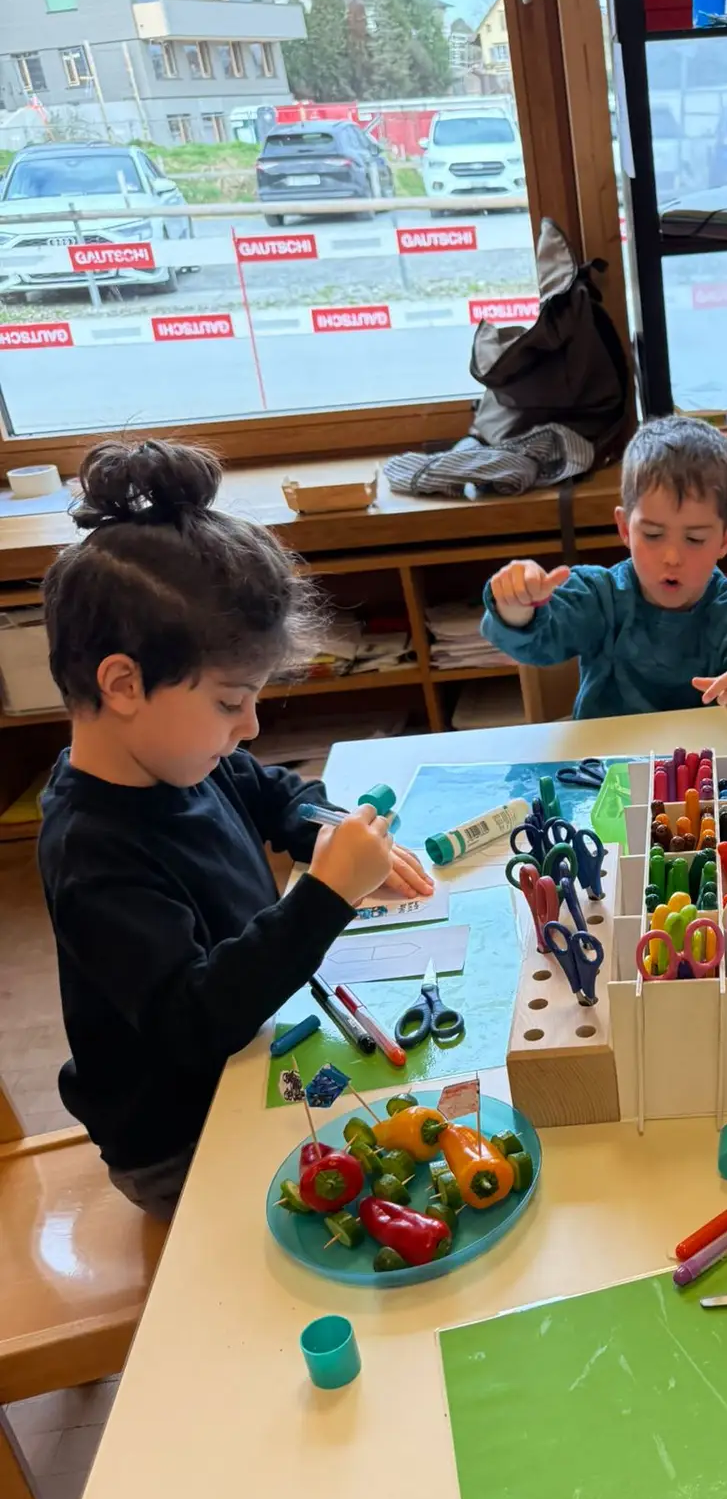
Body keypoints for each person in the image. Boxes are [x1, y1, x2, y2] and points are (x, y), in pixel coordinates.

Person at [38, 440, 434, 1220]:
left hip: (247, 1053)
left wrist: (325, 828)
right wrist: (325, 894)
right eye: (229, 702)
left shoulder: (176, 757)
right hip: (180, 1141)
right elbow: (196, 1021)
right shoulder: (92, 853)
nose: (249, 727)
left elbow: (270, 792)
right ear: (123, 684)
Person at [481, 416, 727, 726]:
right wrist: (517, 605)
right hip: (607, 757)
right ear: (625, 528)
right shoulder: (600, 595)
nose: (672, 557)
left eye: (694, 539)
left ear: (725, 540)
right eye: (652, 535)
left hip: (701, 760)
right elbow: (538, 640)